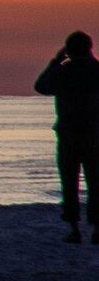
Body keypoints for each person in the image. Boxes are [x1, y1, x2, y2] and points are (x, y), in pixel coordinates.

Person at [39, 30, 99, 243]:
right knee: (95, 182)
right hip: (93, 134)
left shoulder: (64, 71)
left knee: (69, 182)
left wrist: (56, 61)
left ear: (69, 50)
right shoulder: (96, 70)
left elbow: (41, 86)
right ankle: (96, 230)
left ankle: (74, 229)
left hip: (69, 134)